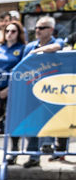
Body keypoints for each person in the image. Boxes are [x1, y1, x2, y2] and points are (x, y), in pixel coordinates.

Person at [21, 16, 67, 167]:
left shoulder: (57, 42)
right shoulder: (29, 46)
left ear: (51, 30)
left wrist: (37, 52)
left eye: (42, 28)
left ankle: (48, 145)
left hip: (51, 91)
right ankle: (33, 156)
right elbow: (22, 65)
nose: (37, 31)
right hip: (32, 89)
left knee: (49, 119)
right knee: (32, 122)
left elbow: (55, 48)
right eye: (36, 28)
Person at [0, 20, 25, 161]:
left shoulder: (22, 49)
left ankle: (14, 151)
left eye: (13, 31)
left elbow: (22, 71)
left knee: (12, 120)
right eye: (7, 31)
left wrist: (9, 89)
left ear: (18, 33)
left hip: (12, 89)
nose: (9, 34)